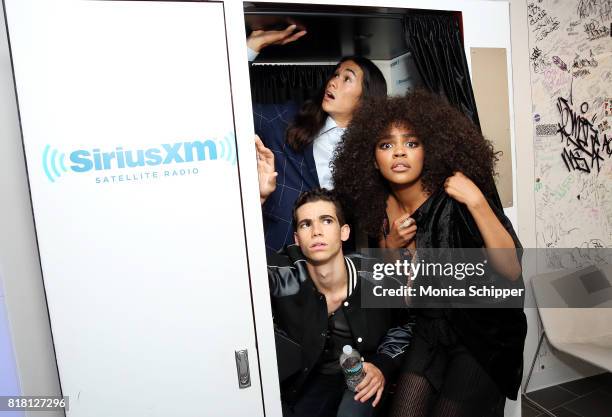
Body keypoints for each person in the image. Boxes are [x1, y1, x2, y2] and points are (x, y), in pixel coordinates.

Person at [332, 90, 527, 417]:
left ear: (429, 151)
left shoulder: (457, 199)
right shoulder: (377, 212)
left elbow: (510, 269)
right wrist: (389, 248)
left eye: (411, 143)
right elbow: (390, 291)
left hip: (482, 332)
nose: (398, 152)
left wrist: (477, 201)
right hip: (429, 328)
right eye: (386, 144)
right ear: (371, 158)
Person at [261, 186, 414, 417]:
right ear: (297, 239)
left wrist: (382, 365)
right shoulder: (284, 274)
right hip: (306, 383)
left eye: (326, 221)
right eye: (306, 224)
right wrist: (260, 198)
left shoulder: (377, 276)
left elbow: (408, 325)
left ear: (344, 232)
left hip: (359, 377)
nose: (316, 232)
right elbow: (232, 265)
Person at [248, 26, 387, 253]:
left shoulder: (374, 153)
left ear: (365, 100)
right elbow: (230, 108)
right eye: (335, 74)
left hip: (335, 265)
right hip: (277, 258)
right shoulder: (286, 120)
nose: (333, 82)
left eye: (347, 79)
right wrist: (251, 48)